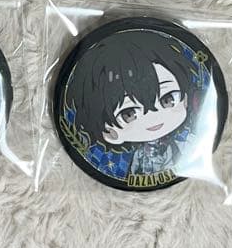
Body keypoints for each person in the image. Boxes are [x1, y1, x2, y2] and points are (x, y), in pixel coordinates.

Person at [64, 29, 205, 178]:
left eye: (167, 99)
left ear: (186, 99)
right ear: (109, 132)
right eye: (129, 113)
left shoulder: (189, 145)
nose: (154, 116)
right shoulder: (134, 158)